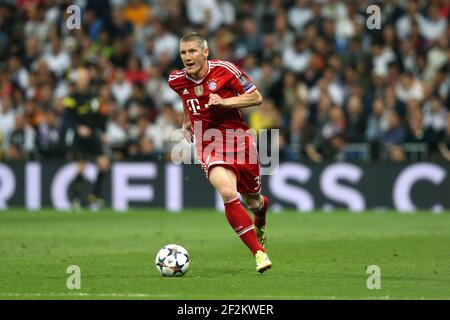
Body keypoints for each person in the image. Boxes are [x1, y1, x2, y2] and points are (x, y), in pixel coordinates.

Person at [168, 33, 272, 273]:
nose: (187, 57)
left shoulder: (226, 70)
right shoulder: (176, 79)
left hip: (239, 141)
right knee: (227, 192)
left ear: (205, 52)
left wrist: (225, 102)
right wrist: (186, 121)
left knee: (254, 202)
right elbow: (186, 97)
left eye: (192, 51)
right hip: (208, 143)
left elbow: (257, 97)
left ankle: (262, 213)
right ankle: (258, 252)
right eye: (183, 52)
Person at [63, 67, 110, 210]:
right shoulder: (71, 98)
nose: (83, 79)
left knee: (104, 165)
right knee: (81, 167)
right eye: (81, 77)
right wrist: (78, 128)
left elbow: (101, 116)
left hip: (93, 135)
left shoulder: (95, 97)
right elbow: (67, 118)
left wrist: (103, 132)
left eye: (85, 77)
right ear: (76, 80)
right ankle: (76, 200)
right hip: (79, 136)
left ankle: (94, 198)